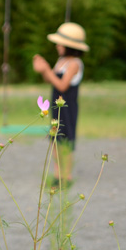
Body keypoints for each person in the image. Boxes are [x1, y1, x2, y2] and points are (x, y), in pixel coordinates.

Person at [32, 22, 89, 186]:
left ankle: (67, 176)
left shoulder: (74, 64)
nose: (57, 46)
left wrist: (46, 69)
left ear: (69, 46)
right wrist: (44, 70)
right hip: (56, 107)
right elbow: (51, 79)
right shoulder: (62, 61)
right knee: (55, 140)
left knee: (66, 140)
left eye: (60, 43)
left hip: (67, 108)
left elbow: (62, 85)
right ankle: (58, 175)